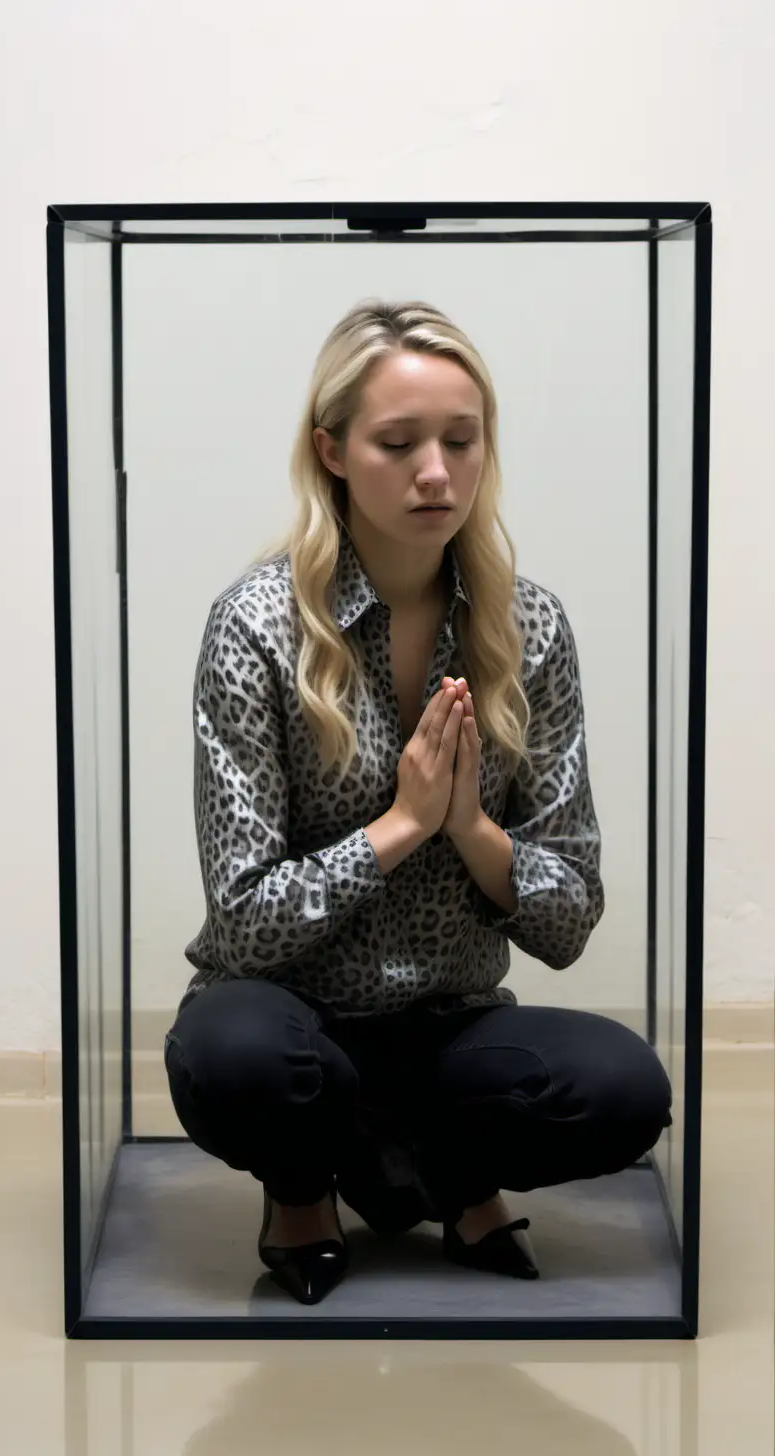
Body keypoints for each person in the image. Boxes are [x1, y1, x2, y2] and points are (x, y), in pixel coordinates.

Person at [164, 299, 673, 1306]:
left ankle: (428, 1164)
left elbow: (570, 916)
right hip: (296, 1015)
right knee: (235, 1056)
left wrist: (473, 830)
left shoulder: (531, 627)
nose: (435, 471)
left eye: (461, 438)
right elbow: (244, 921)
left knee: (625, 1091)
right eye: (398, 442)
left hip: (448, 1026)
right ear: (334, 451)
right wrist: (398, 829)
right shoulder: (257, 628)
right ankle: (307, 1183)